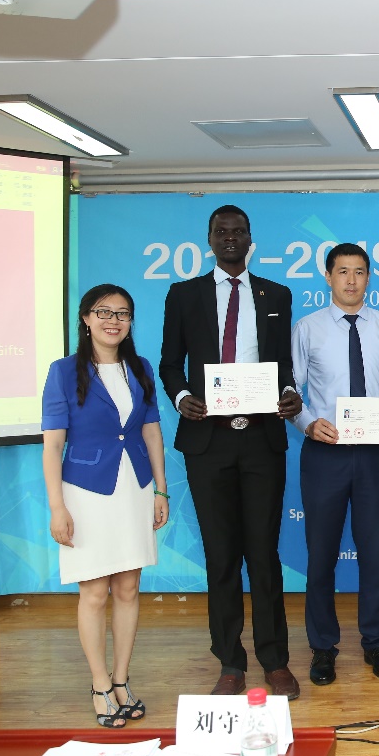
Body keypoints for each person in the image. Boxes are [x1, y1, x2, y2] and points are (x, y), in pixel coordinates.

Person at [159, 204, 303, 697]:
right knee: (221, 556)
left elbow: (283, 365)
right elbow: (170, 363)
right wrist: (182, 397)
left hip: (261, 440)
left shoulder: (276, 295)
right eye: (221, 232)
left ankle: (275, 660)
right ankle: (229, 662)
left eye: (238, 231)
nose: (230, 238)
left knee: (263, 555)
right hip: (208, 441)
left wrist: (290, 393)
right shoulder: (184, 295)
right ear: (209, 239)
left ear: (250, 239)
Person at [42, 284, 169, 728]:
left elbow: (151, 431)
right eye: (103, 312)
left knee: (129, 588)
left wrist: (161, 490)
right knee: (95, 592)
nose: (113, 321)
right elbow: (52, 445)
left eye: (122, 313)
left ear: (131, 322)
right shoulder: (63, 371)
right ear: (85, 318)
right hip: (85, 491)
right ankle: (99, 685)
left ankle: (121, 680)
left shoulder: (141, 367)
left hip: (134, 486)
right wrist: (58, 508)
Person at [290, 243, 379, 686]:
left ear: (368, 277)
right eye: (343, 271)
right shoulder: (308, 328)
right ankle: (323, 647)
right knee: (321, 554)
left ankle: (377, 642)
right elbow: (291, 388)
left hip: (374, 452)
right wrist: (307, 423)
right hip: (326, 452)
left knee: (374, 551)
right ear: (328, 276)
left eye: (359, 271)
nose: (352, 280)